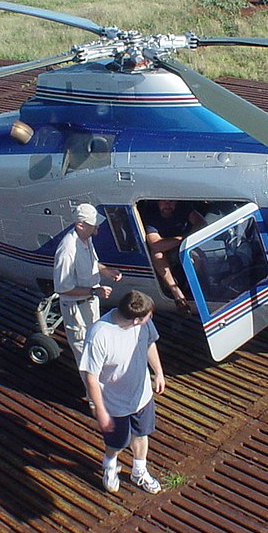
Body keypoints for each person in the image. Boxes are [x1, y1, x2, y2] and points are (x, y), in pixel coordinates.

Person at [79, 290, 166, 494]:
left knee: (142, 434)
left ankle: (139, 471)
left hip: (142, 395)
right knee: (116, 442)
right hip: (114, 403)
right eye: (148, 317)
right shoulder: (99, 335)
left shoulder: (143, 324)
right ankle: (109, 466)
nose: (150, 319)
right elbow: (91, 376)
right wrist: (100, 409)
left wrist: (159, 372)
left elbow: (149, 343)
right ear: (135, 320)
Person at [53, 203, 121, 360]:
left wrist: (106, 271)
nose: (97, 227)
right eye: (93, 224)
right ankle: (90, 383)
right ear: (80, 225)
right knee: (84, 351)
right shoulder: (67, 250)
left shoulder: (86, 238)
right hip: (77, 310)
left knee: (94, 343)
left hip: (90, 303)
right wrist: (94, 291)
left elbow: (92, 262)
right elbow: (63, 288)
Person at [142, 199, 205, 309]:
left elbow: (202, 223)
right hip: (167, 249)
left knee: (195, 259)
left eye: (171, 202)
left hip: (184, 247)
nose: (167, 205)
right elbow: (155, 245)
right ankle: (174, 291)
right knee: (157, 254)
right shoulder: (151, 215)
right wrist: (183, 239)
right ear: (157, 202)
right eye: (163, 202)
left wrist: (186, 240)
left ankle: (189, 289)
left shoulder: (183, 208)